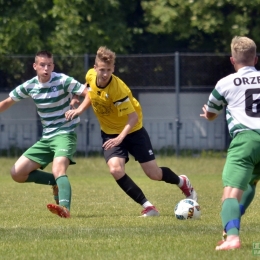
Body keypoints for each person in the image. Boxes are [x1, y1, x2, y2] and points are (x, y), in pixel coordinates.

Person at [65, 46, 197, 217]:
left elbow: (133, 118)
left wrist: (120, 138)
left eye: (109, 70)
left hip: (133, 130)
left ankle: (182, 181)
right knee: (115, 170)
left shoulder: (118, 89)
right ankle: (149, 207)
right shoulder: (91, 75)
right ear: (95, 68)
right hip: (110, 133)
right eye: (102, 70)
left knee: (154, 174)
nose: (105, 74)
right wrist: (77, 101)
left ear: (113, 69)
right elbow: (89, 89)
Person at [0, 50, 89, 218]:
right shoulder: (30, 85)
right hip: (47, 138)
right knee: (17, 173)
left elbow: (89, 93)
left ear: (53, 66)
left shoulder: (62, 80)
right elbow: (6, 102)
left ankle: (65, 209)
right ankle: (55, 183)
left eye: (49, 65)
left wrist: (78, 109)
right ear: (35, 66)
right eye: (42, 65)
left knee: (59, 169)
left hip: (65, 133)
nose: (46, 68)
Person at [200, 36, 260, 250]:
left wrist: (208, 114)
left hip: (246, 141)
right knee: (251, 183)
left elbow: (212, 113)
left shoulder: (225, 83)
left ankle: (232, 238)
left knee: (230, 194)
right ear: (256, 59)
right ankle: (230, 227)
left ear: (232, 60)